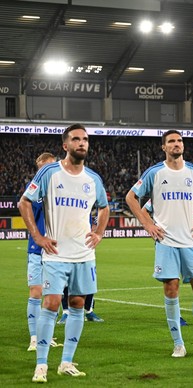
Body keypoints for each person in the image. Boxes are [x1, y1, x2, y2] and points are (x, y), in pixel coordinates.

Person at [18, 124, 110, 382]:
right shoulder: (49, 172)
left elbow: (104, 207)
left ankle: (66, 362)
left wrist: (99, 232)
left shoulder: (93, 179)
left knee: (78, 304)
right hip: (56, 254)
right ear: (65, 145)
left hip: (84, 255)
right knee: (51, 303)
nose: (82, 143)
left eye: (85, 139)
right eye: (76, 139)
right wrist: (37, 236)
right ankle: (42, 364)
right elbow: (24, 202)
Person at [125, 129, 193, 358]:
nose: (176, 144)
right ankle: (178, 343)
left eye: (179, 141)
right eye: (171, 141)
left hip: (191, 241)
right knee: (172, 287)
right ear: (164, 147)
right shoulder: (155, 173)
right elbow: (131, 197)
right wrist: (148, 225)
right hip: (166, 241)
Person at [140, 193, 193, 327]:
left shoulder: (192, 188)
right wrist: (150, 228)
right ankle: (178, 317)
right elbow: (143, 211)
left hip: (190, 243)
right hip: (168, 243)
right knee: (172, 283)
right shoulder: (161, 190)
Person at [25, 152, 63, 352]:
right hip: (37, 249)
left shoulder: (63, 188)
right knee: (36, 292)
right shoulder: (34, 192)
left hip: (58, 250)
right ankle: (34, 337)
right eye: (42, 169)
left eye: (49, 166)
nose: (46, 172)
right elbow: (26, 210)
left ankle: (46, 336)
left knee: (53, 295)